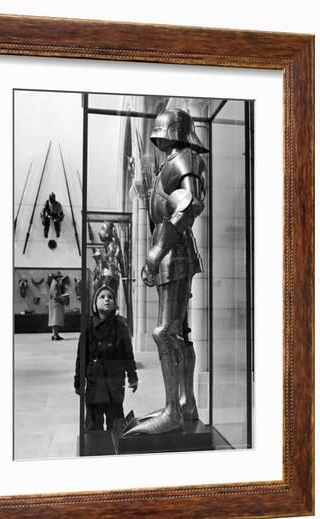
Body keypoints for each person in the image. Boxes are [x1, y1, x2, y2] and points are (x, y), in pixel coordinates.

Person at [123, 108, 207, 437]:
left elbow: (192, 203)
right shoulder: (169, 162)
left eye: (163, 132)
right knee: (178, 331)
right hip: (173, 249)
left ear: (176, 132)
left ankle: (173, 412)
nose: (159, 137)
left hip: (175, 252)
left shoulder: (185, 158)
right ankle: (185, 402)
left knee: (163, 332)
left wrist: (157, 253)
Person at [74, 285, 138, 431]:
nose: (106, 299)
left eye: (110, 297)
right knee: (93, 423)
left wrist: (132, 376)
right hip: (94, 382)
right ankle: (95, 450)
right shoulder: (88, 327)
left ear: (115, 303)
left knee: (116, 421)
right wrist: (79, 381)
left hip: (114, 382)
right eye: (102, 297)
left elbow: (128, 354)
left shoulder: (121, 326)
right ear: (95, 304)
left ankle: (114, 450)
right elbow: (81, 356)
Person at [48, 272, 65, 341]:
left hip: (56, 305)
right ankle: (55, 335)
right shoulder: (54, 284)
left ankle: (56, 334)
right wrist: (62, 298)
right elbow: (55, 295)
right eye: (59, 277)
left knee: (56, 321)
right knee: (55, 321)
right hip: (55, 305)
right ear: (56, 277)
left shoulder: (56, 283)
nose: (60, 278)